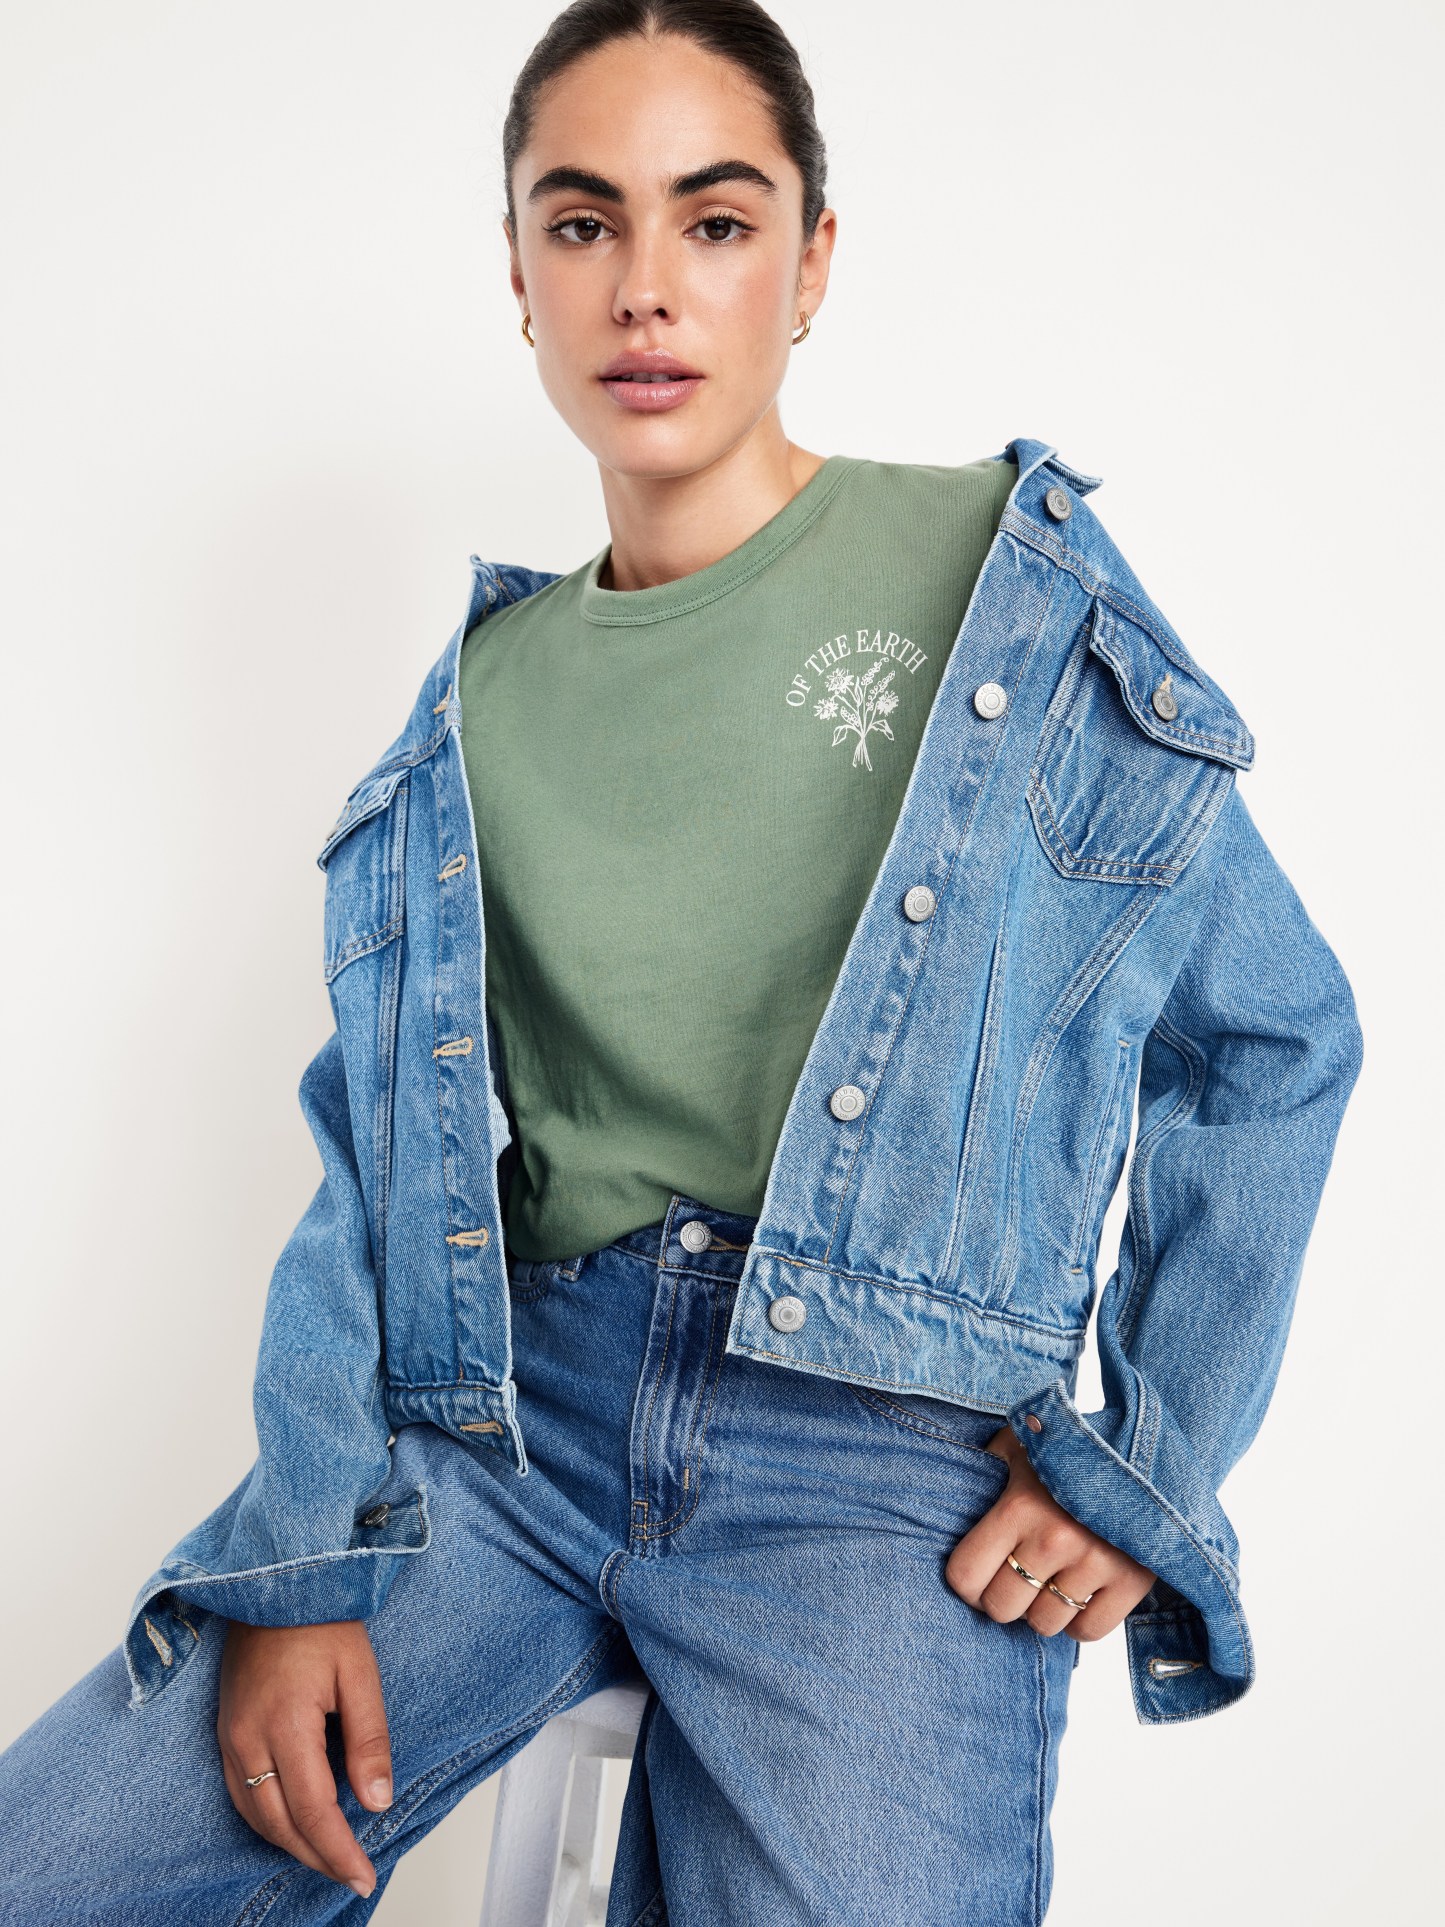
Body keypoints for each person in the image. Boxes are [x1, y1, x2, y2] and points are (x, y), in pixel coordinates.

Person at [0, 3, 1364, 1922]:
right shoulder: (479, 698)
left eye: (714, 223)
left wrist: (1140, 1462)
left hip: (878, 1465)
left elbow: (1274, 1032)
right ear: (520, 277)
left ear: (810, 262)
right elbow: (371, 1157)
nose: (643, 286)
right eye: (583, 224)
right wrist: (306, 1553)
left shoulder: (996, 585)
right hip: (503, 1432)